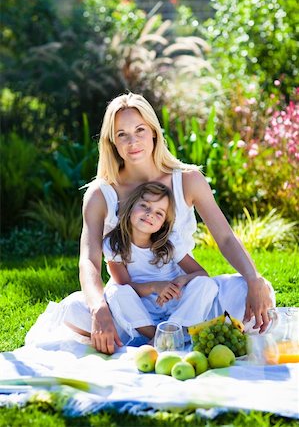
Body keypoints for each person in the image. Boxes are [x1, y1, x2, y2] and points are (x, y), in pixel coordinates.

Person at [35, 92, 275, 355]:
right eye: (122, 134)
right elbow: (89, 261)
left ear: (154, 132)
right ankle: (173, 335)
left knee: (250, 292)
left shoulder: (188, 180)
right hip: (131, 302)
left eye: (140, 130)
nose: (132, 141)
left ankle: (169, 333)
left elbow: (226, 238)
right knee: (74, 310)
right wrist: (99, 309)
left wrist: (253, 279)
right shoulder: (99, 194)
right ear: (112, 142)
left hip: (185, 298)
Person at [102, 181, 218, 343]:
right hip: (142, 310)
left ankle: (173, 330)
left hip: (177, 305)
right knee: (116, 292)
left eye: (159, 213)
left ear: (163, 223)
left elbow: (201, 274)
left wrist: (181, 280)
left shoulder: (170, 242)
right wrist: (155, 286)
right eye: (144, 206)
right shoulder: (114, 243)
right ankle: (160, 337)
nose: (150, 214)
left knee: (206, 284)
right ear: (130, 206)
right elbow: (125, 285)